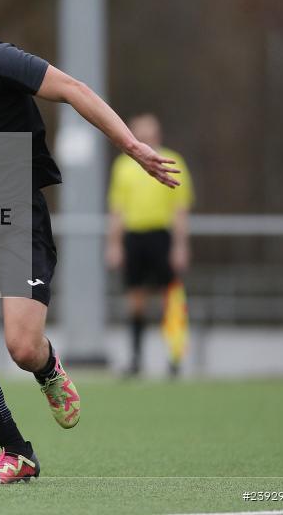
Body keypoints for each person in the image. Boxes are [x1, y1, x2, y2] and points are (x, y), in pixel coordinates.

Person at [0, 0, 180, 484]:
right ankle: (16, 451)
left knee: (23, 347)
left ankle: (48, 370)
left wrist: (132, 146)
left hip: (17, 215)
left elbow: (74, 90)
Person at [106, 113, 194, 377]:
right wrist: (114, 244)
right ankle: (135, 358)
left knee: (171, 298)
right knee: (135, 299)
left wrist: (180, 245)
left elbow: (180, 209)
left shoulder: (173, 160)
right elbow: (117, 210)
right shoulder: (123, 166)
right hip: (134, 237)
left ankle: (175, 357)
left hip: (161, 236)